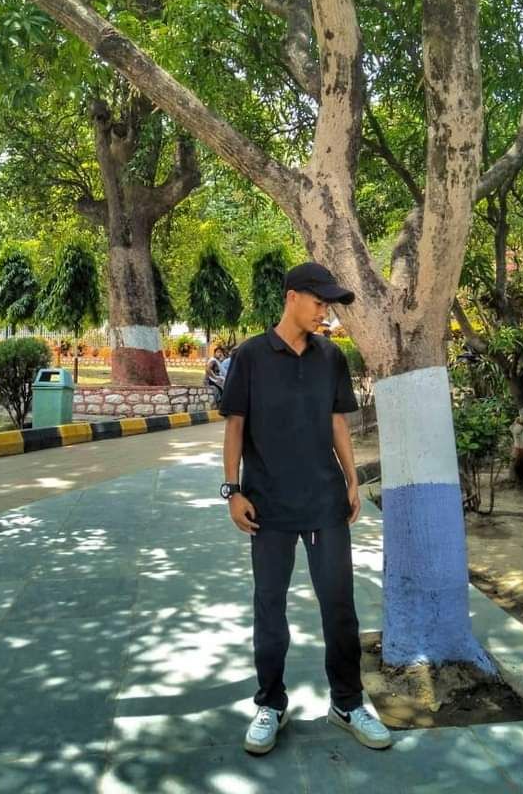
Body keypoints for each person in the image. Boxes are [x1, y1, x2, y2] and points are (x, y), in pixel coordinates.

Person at [219, 261, 392, 756]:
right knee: (269, 606)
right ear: (292, 297)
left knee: (339, 606)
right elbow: (235, 426)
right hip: (267, 506)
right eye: (319, 303)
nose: (324, 314)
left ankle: (348, 703)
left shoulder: (330, 357)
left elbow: (337, 421)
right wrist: (233, 491)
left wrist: (352, 477)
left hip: (324, 502)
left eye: (328, 306)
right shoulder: (250, 356)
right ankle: (271, 704)